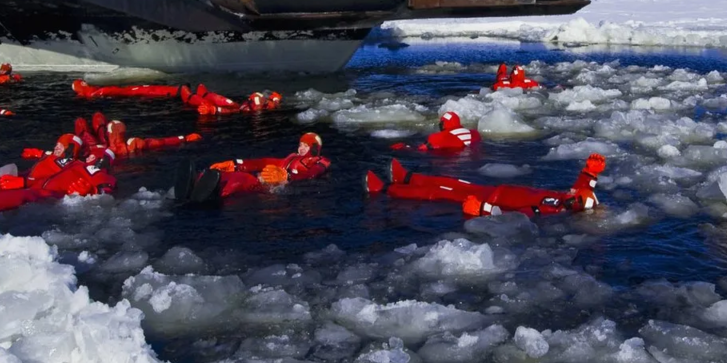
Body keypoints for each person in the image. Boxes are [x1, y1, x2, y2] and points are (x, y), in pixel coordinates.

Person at [366, 154, 605, 216]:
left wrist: (485, 211)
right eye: (576, 194)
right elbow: (582, 188)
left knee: (438, 194)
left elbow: (520, 216)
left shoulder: (552, 209)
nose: (573, 195)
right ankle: (406, 177)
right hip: (491, 191)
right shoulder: (567, 197)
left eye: (576, 199)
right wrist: (588, 173)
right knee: (451, 182)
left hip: (488, 200)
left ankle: (385, 189)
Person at [178, 132, 330, 204]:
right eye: (301, 144)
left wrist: (288, 177)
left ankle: (215, 195)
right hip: (264, 183)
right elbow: (263, 162)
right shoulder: (290, 158)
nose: (302, 148)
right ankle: (197, 181)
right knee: (226, 173)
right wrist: (236, 164)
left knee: (242, 178)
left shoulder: (320, 161)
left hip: (274, 190)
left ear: (314, 148)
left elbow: (313, 173)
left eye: (306, 145)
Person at [392, 111, 481, 152]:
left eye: (441, 122)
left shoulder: (436, 138)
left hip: (455, 161)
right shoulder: (474, 133)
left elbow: (420, 149)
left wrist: (403, 147)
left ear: (444, 124)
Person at [73, 78, 181, 99]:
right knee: (146, 89)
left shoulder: (92, 93)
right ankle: (175, 91)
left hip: (126, 91)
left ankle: (175, 90)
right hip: (126, 92)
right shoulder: (96, 92)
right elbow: (108, 91)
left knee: (146, 89)